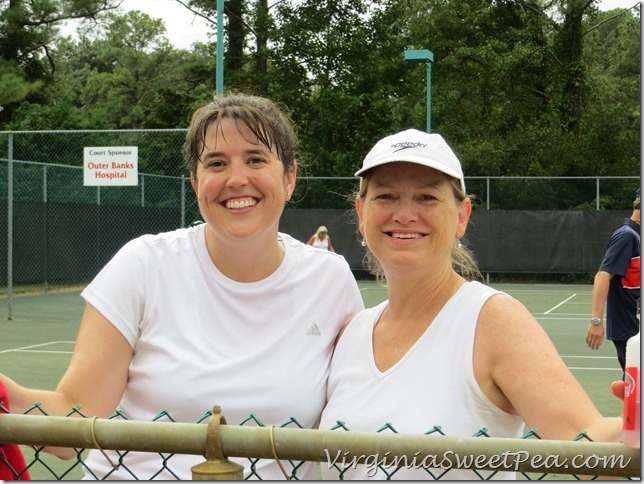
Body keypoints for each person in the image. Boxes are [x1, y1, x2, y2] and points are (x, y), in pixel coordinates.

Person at [0, 92, 364, 480]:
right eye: (216, 163)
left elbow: (362, 417)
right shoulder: (143, 265)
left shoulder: (329, 280)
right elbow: (72, 422)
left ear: (289, 177)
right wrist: (9, 396)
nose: (236, 178)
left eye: (256, 159)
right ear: (196, 182)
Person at [319, 129, 623, 480]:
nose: (404, 214)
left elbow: (587, 442)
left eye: (427, 197)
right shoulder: (351, 334)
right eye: (386, 196)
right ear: (360, 212)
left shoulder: (491, 320)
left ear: (462, 216)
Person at [586, 189, 641, 375]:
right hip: (629, 329)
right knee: (636, 391)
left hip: (637, 327)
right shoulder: (627, 236)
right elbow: (602, 276)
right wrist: (596, 321)